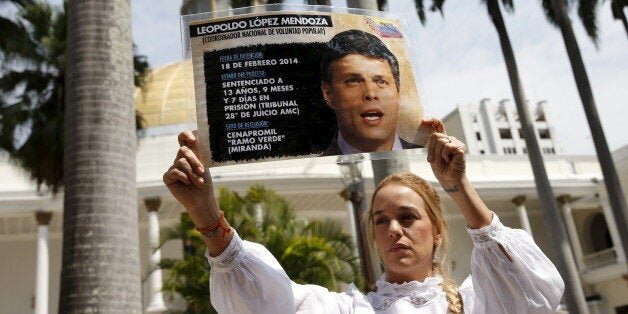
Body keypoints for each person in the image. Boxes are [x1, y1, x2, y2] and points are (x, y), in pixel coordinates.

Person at [163, 121, 565, 313]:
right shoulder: (350, 310)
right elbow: (267, 303)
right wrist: (204, 211)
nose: (394, 230)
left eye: (408, 217)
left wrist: (458, 185)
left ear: (437, 230)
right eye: (380, 220)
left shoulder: (481, 301)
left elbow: (530, 289)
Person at [320, 30, 421, 156]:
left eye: (381, 81)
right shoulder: (311, 174)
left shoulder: (433, 161)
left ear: (398, 92)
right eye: (354, 81)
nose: (371, 93)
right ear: (328, 94)